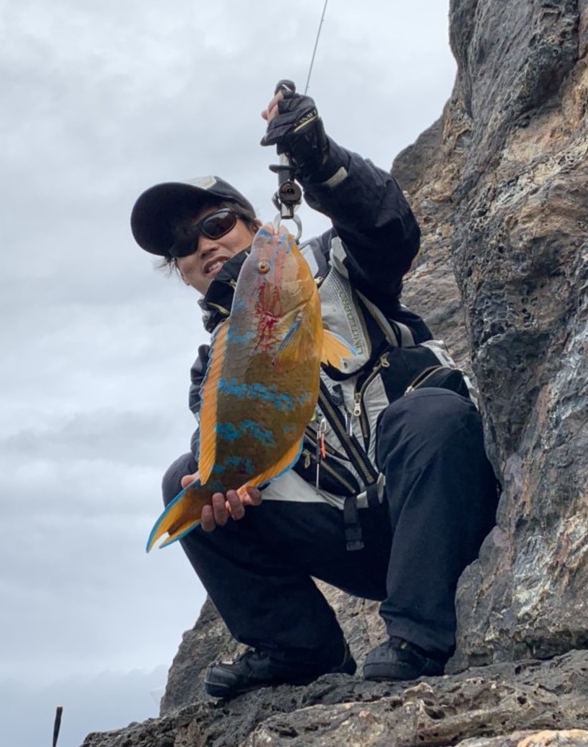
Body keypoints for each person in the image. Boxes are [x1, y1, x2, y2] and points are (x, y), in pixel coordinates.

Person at [130, 89, 499, 700]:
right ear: (184, 273)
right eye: (183, 249)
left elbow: (387, 225)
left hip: (436, 502)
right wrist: (224, 489)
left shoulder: (336, 264)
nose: (204, 247)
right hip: (341, 539)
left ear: (253, 223)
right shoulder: (209, 368)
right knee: (187, 483)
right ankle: (296, 650)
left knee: (432, 414)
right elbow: (220, 438)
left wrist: (318, 159)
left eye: (217, 225)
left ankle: (418, 637)